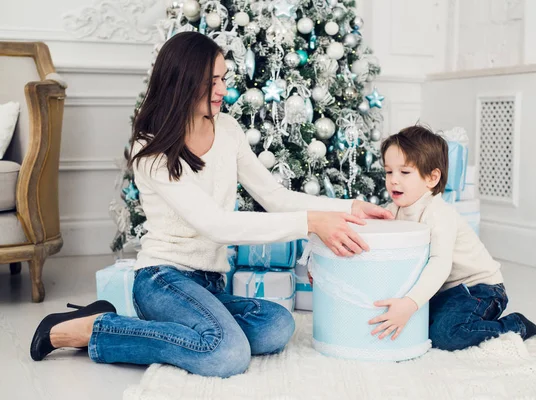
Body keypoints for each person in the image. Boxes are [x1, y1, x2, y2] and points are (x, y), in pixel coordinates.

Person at [30, 32, 393, 376]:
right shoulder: (150, 149)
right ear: (183, 82)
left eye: (223, 79)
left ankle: (152, 328)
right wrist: (311, 222)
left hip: (210, 284)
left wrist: (346, 209)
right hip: (161, 278)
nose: (223, 90)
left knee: (277, 325)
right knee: (226, 354)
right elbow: (215, 224)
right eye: (212, 81)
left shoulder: (229, 130)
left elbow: (274, 197)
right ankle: (87, 330)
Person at [368, 125, 536, 351]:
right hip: (446, 291)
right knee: (417, 327)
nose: (393, 180)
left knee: (445, 335)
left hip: (480, 288)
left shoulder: (438, 214)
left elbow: (440, 265)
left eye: (404, 172)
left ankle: (515, 325)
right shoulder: (394, 208)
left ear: (431, 177)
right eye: (389, 172)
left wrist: (409, 304)